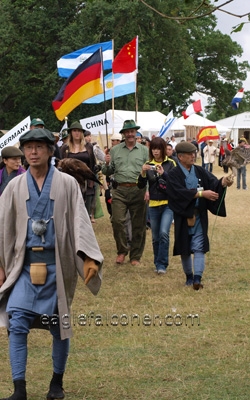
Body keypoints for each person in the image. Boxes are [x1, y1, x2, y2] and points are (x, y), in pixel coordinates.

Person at [0, 127, 103, 400]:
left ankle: (56, 384)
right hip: (23, 267)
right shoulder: (14, 186)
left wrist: (89, 258)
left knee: (59, 326)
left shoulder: (67, 184)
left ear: (49, 150)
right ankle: (19, 389)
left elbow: (80, 223)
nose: (33, 152)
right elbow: (2, 226)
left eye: (39, 147)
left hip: (58, 267)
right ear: (23, 152)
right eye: (28, 147)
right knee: (16, 321)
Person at [165, 141, 233, 290]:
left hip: (199, 216)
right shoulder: (173, 175)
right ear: (180, 157)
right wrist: (201, 193)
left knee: (199, 247)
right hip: (183, 216)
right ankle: (188, 277)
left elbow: (213, 183)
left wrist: (223, 182)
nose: (193, 156)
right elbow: (177, 193)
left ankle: (197, 279)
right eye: (190, 154)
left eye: (194, 153)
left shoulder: (200, 170)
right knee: (185, 248)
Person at [102, 120, 149, 266]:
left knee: (138, 224)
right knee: (117, 221)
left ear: (136, 133)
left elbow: (149, 171)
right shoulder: (114, 150)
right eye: (127, 132)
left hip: (138, 189)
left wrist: (147, 190)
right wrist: (107, 163)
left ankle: (135, 256)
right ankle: (122, 251)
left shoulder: (144, 150)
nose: (130, 134)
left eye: (132, 131)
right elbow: (107, 172)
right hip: (119, 190)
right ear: (123, 134)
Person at [137, 137, 176, 274]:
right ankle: (157, 262)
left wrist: (163, 174)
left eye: (158, 148)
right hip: (153, 204)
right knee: (155, 237)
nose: (156, 151)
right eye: (153, 148)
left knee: (164, 233)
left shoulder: (171, 164)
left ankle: (162, 265)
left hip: (168, 204)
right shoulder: (148, 164)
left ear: (163, 149)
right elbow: (140, 185)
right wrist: (142, 172)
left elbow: (175, 183)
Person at [60, 121, 97, 221]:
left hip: (85, 182)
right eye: (74, 131)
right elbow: (61, 166)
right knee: (70, 209)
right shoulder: (65, 148)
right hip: (68, 182)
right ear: (71, 132)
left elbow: (92, 165)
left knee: (84, 210)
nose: (77, 133)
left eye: (79, 131)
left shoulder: (89, 147)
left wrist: (92, 181)